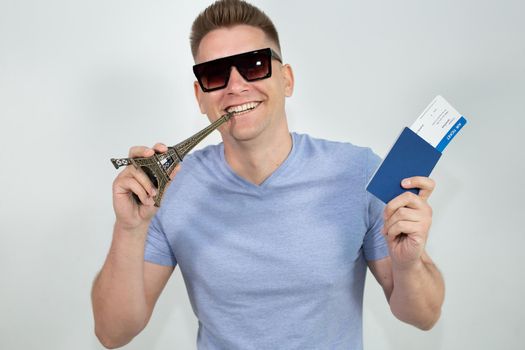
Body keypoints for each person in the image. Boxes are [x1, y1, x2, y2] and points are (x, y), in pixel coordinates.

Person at [91, 0, 445, 349]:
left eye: (255, 65)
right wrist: (129, 229)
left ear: (286, 80)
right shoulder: (169, 189)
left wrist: (409, 264)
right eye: (215, 74)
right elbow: (113, 333)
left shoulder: (358, 172)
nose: (235, 86)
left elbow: (422, 316)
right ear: (201, 97)